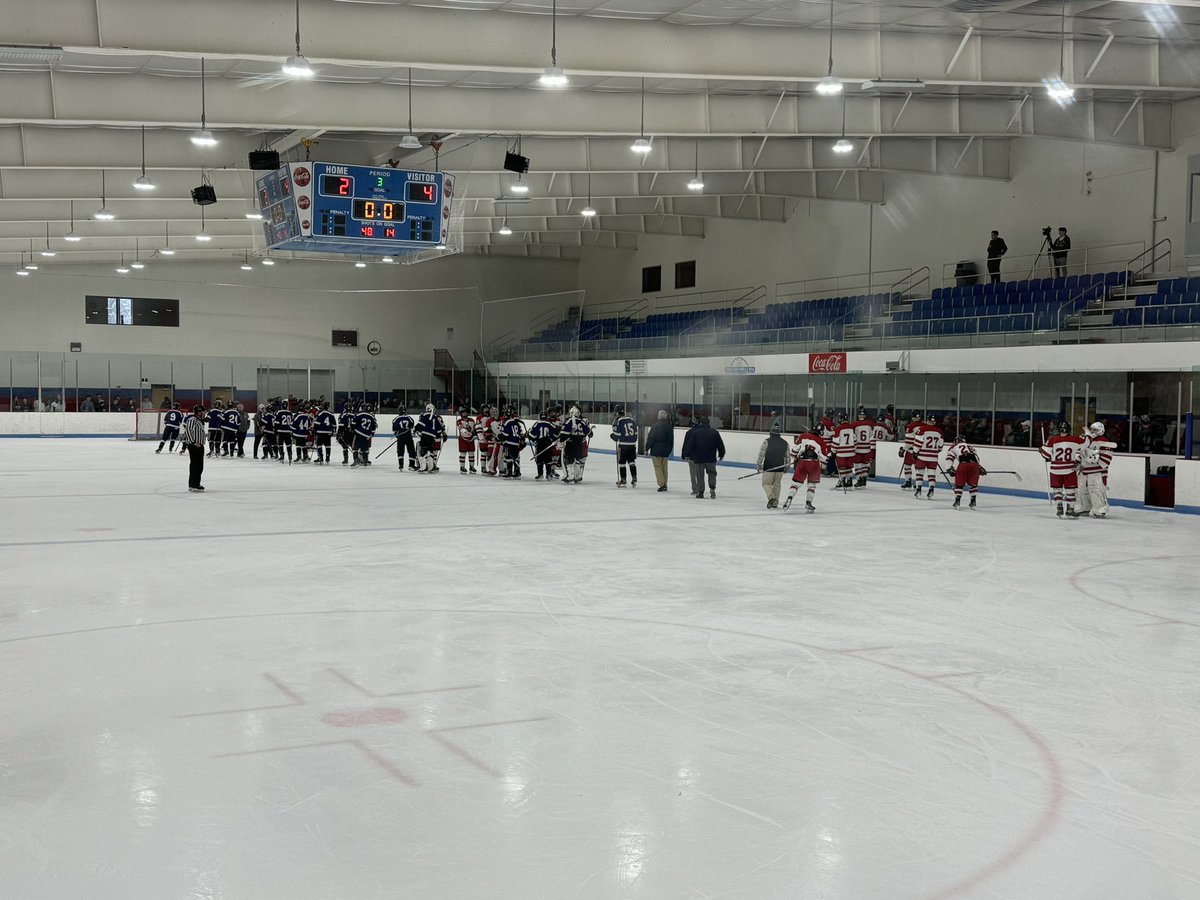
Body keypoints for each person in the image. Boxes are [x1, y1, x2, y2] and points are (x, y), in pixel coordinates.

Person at [1039, 421, 1085, 517]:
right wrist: (1088, 434)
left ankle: (1059, 507)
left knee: (1057, 490)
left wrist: (1041, 449)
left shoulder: (1052, 440)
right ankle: (1069, 510)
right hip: (1069, 469)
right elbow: (1086, 444)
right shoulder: (1075, 439)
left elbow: (1046, 455)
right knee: (1070, 491)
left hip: (1055, 469)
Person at [783, 427, 829, 513]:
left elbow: (793, 451)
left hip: (802, 462)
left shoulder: (803, 436)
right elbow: (824, 459)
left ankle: (789, 498)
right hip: (814, 464)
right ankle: (808, 503)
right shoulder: (821, 441)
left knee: (796, 483)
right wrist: (828, 456)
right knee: (811, 485)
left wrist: (796, 457)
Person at [1075, 421, 1115, 518]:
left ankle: (1100, 509)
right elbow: (1079, 451)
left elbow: (1106, 458)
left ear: (1100, 430)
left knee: (1096, 489)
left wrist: (1092, 458)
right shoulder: (1087, 440)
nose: (1092, 431)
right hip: (1084, 470)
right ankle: (1084, 507)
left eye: (1094, 430)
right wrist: (1078, 460)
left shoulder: (1103, 440)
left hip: (1097, 471)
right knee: (1080, 490)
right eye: (1091, 429)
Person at [681, 415, 725, 499]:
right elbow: (720, 444)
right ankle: (712, 488)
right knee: (712, 473)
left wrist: (687, 454)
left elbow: (690, 445)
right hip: (711, 458)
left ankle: (700, 492)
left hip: (699, 458)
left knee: (700, 475)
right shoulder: (715, 432)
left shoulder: (695, 433)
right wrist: (721, 454)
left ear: (701, 423)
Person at [944, 436, 986, 509]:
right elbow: (976, 458)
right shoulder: (970, 446)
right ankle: (973, 500)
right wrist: (980, 467)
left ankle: (957, 500)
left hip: (963, 464)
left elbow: (949, 458)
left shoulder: (953, 447)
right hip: (974, 465)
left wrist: (949, 468)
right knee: (973, 484)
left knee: (959, 485)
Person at [756, 423, 791, 509]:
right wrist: (786, 467)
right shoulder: (785, 443)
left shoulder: (767, 441)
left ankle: (771, 498)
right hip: (780, 467)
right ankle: (775, 502)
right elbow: (788, 457)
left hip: (769, 466)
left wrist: (758, 464)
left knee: (765, 483)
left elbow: (761, 454)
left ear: (771, 432)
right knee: (777, 484)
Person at [912, 415, 945, 499]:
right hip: (933, 457)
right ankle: (931, 490)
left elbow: (918, 442)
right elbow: (940, 446)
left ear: (927, 421)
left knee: (919, 473)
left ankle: (918, 489)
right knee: (932, 474)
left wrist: (915, 452)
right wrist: (935, 452)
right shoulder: (939, 431)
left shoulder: (922, 429)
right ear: (935, 422)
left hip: (922, 456)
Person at [558, 406, 593, 485]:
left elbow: (564, 433)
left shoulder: (569, 421)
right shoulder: (582, 421)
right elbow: (589, 433)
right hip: (579, 443)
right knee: (577, 459)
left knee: (569, 459)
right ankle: (578, 476)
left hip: (571, 443)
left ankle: (570, 476)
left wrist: (561, 441)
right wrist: (590, 433)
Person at [610, 403, 639, 487]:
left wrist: (613, 436)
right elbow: (636, 433)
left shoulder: (618, 421)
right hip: (632, 445)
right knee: (631, 461)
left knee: (622, 463)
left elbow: (617, 434)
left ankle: (623, 479)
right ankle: (634, 477)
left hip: (623, 445)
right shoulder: (632, 420)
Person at [646, 409, 674, 492]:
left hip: (656, 450)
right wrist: (669, 450)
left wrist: (647, 448)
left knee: (658, 468)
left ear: (659, 416)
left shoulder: (655, 426)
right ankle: (665, 483)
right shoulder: (669, 427)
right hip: (665, 450)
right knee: (664, 468)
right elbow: (671, 440)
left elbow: (651, 438)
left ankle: (662, 484)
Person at [181, 405, 207, 493]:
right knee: (195, 465)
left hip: (200, 445)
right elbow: (188, 431)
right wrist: (193, 442)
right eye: (203, 412)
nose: (204, 413)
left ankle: (197, 483)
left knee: (200, 466)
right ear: (198, 412)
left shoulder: (199, 421)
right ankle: (192, 484)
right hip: (194, 446)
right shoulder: (192, 420)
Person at [830, 412, 858, 490]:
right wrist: (854, 449)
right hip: (851, 452)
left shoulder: (838, 429)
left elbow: (835, 441)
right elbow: (855, 440)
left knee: (842, 468)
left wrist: (833, 451)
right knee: (849, 467)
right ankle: (849, 481)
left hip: (841, 452)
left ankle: (842, 480)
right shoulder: (852, 428)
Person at [528, 408, 558, 481]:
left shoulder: (537, 424)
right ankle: (548, 475)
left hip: (540, 444)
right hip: (548, 444)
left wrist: (528, 434)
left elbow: (532, 435)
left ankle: (540, 474)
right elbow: (555, 435)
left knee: (539, 460)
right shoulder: (550, 424)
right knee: (548, 460)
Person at [416, 403, 445, 473]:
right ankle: (431, 467)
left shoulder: (424, 415)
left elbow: (420, 425)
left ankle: (424, 467)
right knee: (430, 451)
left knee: (423, 451)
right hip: (433, 437)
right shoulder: (435, 418)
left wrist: (415, 429)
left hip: (425, 435)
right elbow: (439, 430)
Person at [499, 405, 527, 478]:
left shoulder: (507, 422)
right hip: (516, 443)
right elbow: (520, 433)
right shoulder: (516, 422)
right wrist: (522, 440)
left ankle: (509, 472)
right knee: (516, 457)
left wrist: (500, 437)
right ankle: (517, 472)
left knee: (508, 458)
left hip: (509, 443)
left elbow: (505, 434)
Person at [851, 406, 875, 489]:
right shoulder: (870, 424)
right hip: (867, 448)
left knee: (858, 465)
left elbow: (853, 436)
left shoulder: (854, 424)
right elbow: (872, 435)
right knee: (865, 465)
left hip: (858, 448)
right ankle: (864, 480)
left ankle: (859, 480)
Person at [900, 412, 923, 489]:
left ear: (912, 417)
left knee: (907, 465)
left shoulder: (910, 426)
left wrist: (903, 449)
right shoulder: (925, 425)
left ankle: (908, 481)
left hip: (911, 450)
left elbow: (909, 442)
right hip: (922, 450)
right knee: (918, 468)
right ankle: (917, 483)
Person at [351, 402, 378, 467]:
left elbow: (353, 422)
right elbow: (374, 427)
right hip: (367, 435)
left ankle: (356, 461)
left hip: (358, 433)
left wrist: (353, 430)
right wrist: (371, 434)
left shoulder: (360, 414)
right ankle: (365, 461)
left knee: (355, 448)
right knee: (365, 449)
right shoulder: (372, 417)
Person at [456, 407, 478, 474]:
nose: (465, 414)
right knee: (463, 453)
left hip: (471, 439)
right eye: (463, 413)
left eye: (465, 412)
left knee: (471, 453)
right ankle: (462, 467)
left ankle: (472, 467)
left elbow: (475, 428)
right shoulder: (459, 421)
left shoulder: (471, 420)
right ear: (461, 414)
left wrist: (475, 432)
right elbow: (461, 428)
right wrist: (467, 432)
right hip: (463, 439)